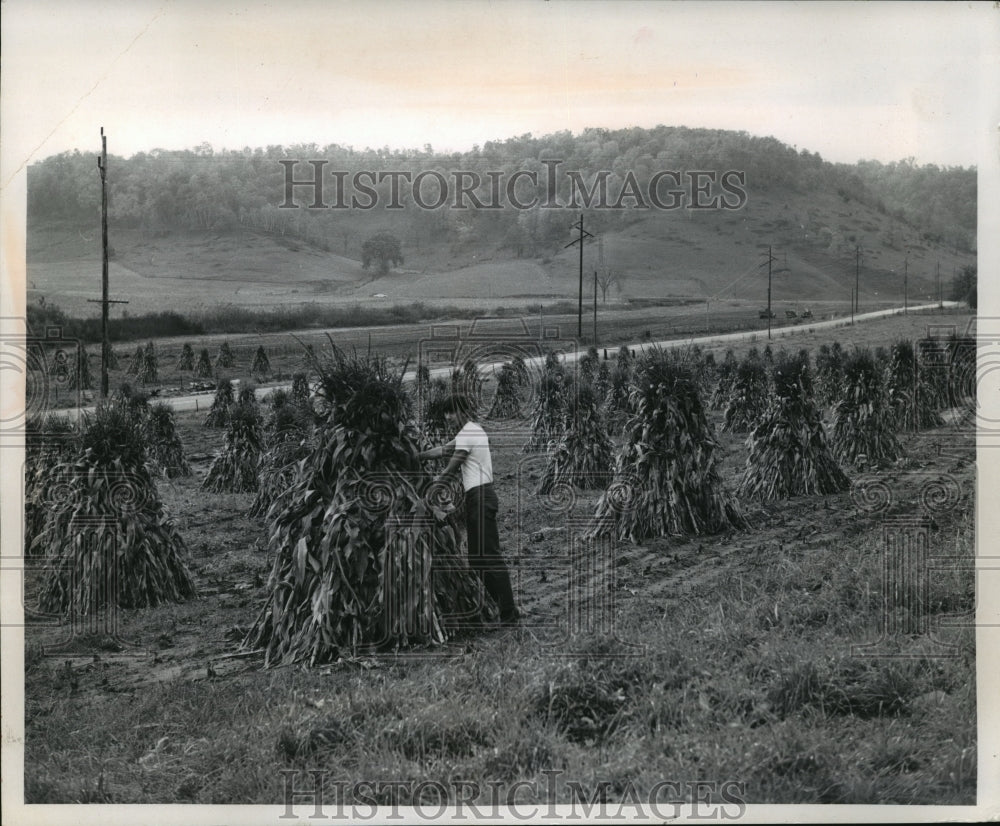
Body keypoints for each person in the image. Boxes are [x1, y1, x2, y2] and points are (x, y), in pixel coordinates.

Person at [418, 393, 520, 626]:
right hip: (477, 498)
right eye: (446, 413)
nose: (448, 417)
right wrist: (418, 457)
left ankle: (509, 612)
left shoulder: (469, 432)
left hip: (482, 496)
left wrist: (432, 490)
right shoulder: (470, 431)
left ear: (463, 410)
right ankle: (501, 606)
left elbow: (453, 465)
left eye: (451, 412)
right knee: (476, 558)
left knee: (490, 556)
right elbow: (444, 450)